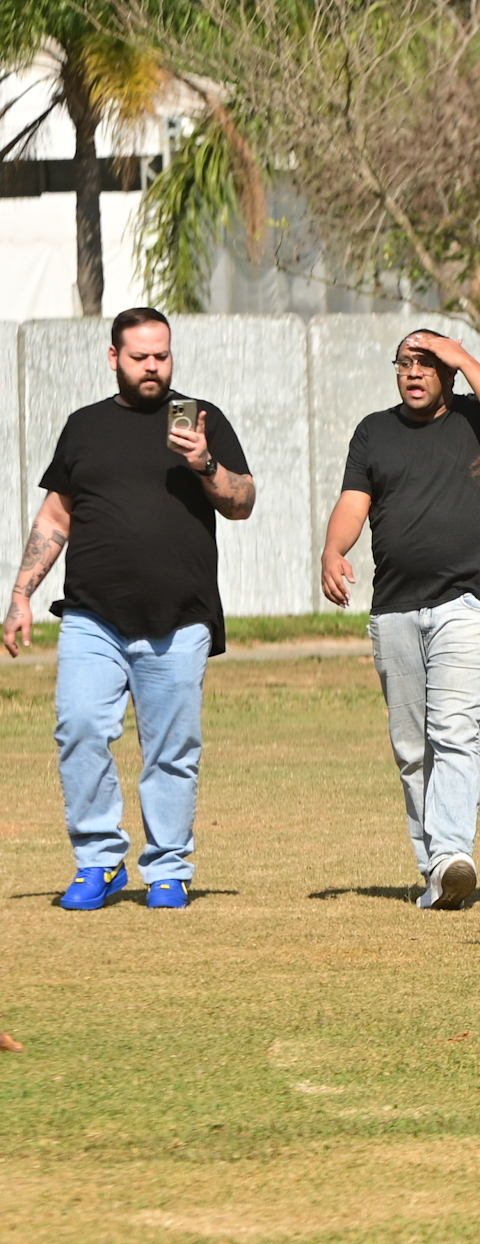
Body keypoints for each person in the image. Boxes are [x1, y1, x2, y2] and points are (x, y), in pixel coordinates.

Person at [2, 307, 256, 911]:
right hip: (94, 615)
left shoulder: (202, 420)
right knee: (81, 727)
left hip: (180, 616)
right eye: (140, 356)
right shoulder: (84, 427)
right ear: (113, 357)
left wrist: (204, 463)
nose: (153, 366)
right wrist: (20, 594)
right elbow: (56, 517)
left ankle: (168, 869)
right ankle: (99, 862)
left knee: (172, 748)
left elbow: (242, 500)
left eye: (162, 355)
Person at [321, 330, 480, 911]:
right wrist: (333, 551)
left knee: (455, 733)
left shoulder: (476, 420)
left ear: (451, 372)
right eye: (404, 363)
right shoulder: (373, 432)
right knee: (413, 749)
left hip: (471, 600)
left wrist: (460, 354)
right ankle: (437, 872)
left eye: (427, 363)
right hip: (395, 607)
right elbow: (353, 503)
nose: (413, 372)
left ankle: (454, 853)